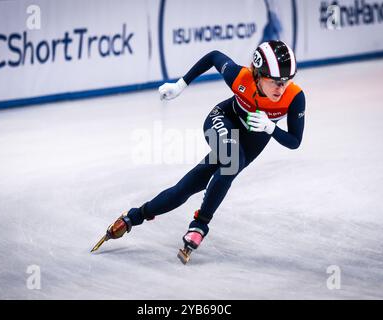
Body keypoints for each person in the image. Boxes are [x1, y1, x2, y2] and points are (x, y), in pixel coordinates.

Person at [91, 40, 306, 263]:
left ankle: (133, 216)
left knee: (184, 189)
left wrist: (271, 127)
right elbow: (214, 56)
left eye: (286, 82)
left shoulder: (295, 97)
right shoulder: (239, 77)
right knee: (232, 160)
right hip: (221, 120)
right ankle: (200, 225)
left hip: (249, 144)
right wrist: (180, 85)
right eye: (275, 82)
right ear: (257, 75)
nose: (281, 89)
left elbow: (294, 141)